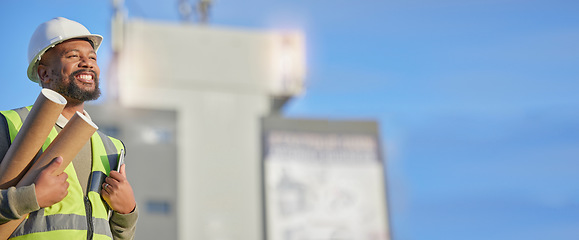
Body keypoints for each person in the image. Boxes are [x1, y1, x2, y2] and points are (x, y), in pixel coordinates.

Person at [0, 17, 138, 239]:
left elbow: (116, 234)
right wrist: (30, 197)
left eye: (92, 57)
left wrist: (127, 212)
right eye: (73, 56)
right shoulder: (8, 125)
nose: (88, 63)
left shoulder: (111, 146)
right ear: (44, 73)